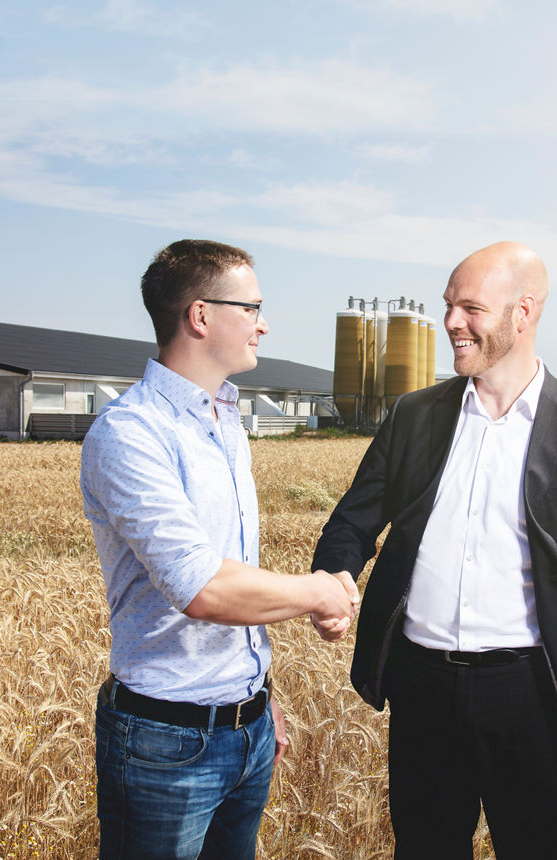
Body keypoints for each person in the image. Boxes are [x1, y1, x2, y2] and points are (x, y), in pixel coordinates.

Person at [311, 241, 557, 859]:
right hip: (423, 692)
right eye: (448, 306)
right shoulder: (414, 415)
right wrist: (332, 581)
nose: (452, 323)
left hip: (535, 700)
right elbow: (351, 524)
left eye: (471, 308)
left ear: (523, 313)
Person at [81, 239, 359, 860]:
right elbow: (204, 588)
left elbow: (239, 568)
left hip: (247, 730)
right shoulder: (131, 433)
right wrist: (319, 591)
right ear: (201, 316)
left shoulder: (226, 420)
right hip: (165, 744)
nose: (264, 323)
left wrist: (257, 700)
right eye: (252, 307)